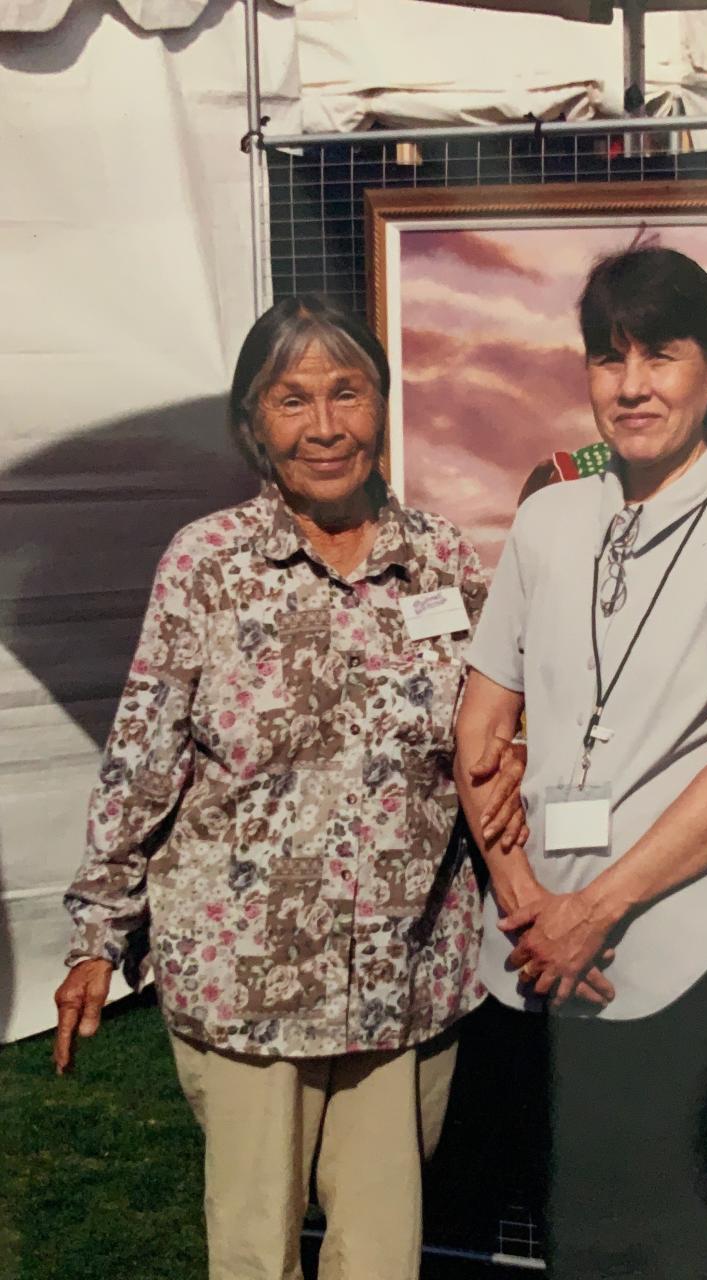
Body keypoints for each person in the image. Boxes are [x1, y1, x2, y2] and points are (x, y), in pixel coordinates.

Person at [53, 293, 527, 1280]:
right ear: (251, 424)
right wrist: (99, 932)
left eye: (347, 392)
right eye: (292, 398)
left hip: (404, 971)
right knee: (256, 1249)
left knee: (384, 1254)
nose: (325, 425)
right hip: (247, 983)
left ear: (383, 406)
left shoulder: (443, 559)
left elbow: (492, 746)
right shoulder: (207, 563)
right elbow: (144, 756)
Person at [454, 245, 707, 1280]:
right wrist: (527, 896)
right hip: (530, 957)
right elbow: (476, 730)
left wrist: (592, 909)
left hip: (678, 958)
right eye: (607, 358)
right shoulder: (548, 516)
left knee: (680, 1239)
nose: (631, 385)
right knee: (565, 1231)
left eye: (660, 354)